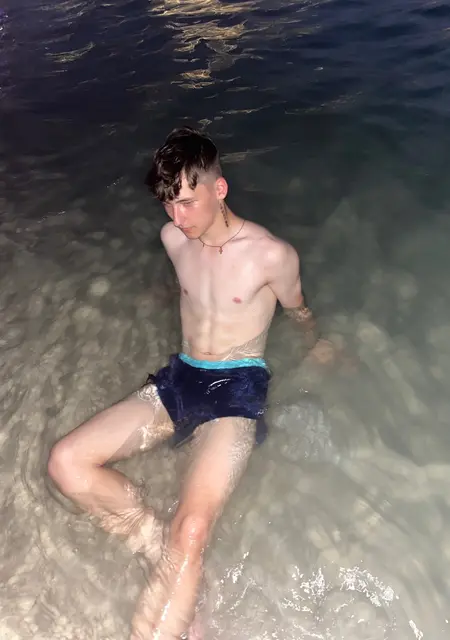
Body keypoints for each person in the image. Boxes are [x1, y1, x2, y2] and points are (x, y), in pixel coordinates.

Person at [47, 126, 334, 639]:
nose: (177, 218)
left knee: (194, 527)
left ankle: (164, 601)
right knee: (66, 462)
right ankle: (161, 548)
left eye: (186, 202)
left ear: (219, 189)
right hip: (181, 379)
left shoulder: (272, 255)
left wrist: (319, 345)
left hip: (238, 388)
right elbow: (190, 290)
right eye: (168, 204)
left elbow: (298, 310)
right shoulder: (173, 239)